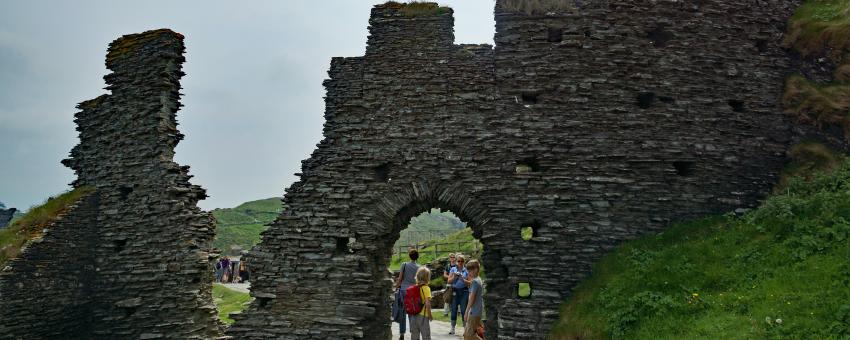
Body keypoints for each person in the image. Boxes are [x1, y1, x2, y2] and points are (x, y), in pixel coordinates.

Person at [395, 248, 421, 340]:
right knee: (412, 312)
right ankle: (413, 333)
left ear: (409, 256)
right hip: (413, 291)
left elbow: (400, 278)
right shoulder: (419, 267)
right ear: (417, 257)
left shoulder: (404, 265)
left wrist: (396, 286)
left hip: (403, 291)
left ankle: (402, 334)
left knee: (402, 312)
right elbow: (419, 281)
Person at [409, 267, 433, 340]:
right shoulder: (426, 288)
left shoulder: (414, 287)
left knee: (414, 336)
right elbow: (427, 303)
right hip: (423, 316)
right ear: (427, 277)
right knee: (426, 336)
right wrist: (430, 315)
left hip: (413, 315)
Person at [447, 255, 469, 335]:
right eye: (459, 261)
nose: (460, 263)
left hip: (464, 291)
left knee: (464, 310)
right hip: (454, 291)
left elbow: (469, 283)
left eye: (462, 261)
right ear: (456, 261)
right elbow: (449, 281)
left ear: (464, 262)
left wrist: (463, 279)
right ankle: (452, 328)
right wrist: (455, 277)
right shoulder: (453, 269)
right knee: (453, 309)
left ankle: (465, 328)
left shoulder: (466, 270)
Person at [464, 260, 484, 340]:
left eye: (470, 270)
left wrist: (466, 311)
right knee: (467, 334)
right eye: (468, 270)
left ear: (476, 269)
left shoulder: (475, 282)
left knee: (469, 335)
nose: (469, 273)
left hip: (474, 312)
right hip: (477, 311)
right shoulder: (478, 279)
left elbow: (472, 298)